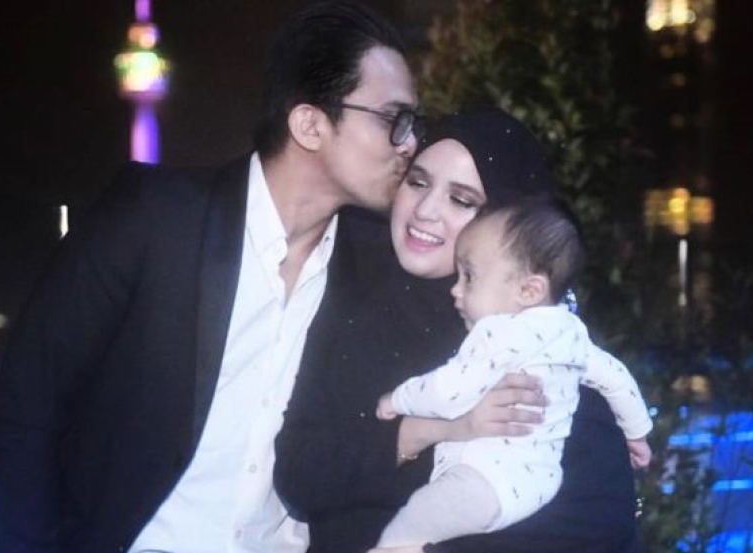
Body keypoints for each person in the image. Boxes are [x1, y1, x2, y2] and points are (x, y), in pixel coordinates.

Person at [0, 4, 542, 553]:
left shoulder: (376, 262)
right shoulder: (157, 219)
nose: (411, 144)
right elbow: (23, 407)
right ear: (310, 124)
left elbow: (499, 297)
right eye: (394, 120)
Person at [275, 107, 644, 553]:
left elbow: (593, 521)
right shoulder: (352, 299)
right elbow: (298, 477)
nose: (426, 211)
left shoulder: (536, 340)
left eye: (462, 200)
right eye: (417, 182)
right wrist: (424, 429)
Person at [373, 199, 653, 551]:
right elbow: (617, 379)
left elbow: (448, 392)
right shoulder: (572, 334)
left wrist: (398, 399)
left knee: (408, 527)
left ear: (528, 290)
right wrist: (637, 434)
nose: (455, 289)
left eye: (469, 277)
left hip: (484, 481)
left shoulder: (498, 335)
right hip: (537, 485)